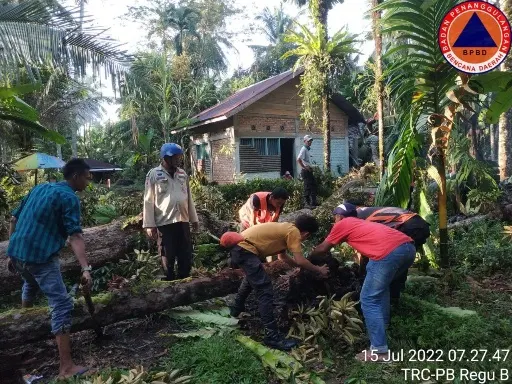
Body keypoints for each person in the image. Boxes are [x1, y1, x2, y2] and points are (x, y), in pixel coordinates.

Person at [7, 159, 93, 380]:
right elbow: (75, 236)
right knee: (62, 304)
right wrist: (85, 268)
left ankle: (24, 330)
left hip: (18, 254)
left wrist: (11, 250)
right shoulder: (69, 197)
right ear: (75, 177)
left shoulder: (40, 188)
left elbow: (13, 219)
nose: (89, 180)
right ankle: (66, 368)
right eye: (87, 176)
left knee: (30, 282)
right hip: (40, 257)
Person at [310, 203, 416, 363]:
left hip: (388, 254)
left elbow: (323, 249)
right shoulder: (361, 223)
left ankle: (379, 351)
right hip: (408, 249)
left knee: (368, 299)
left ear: (339, 217)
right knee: (381, 289)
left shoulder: (343, 224)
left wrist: (307, 257)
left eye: (335, 217)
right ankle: (383, 326)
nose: (334, 221)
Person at [227, 215, 329, 351]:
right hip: (244, 249)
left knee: (252, 279)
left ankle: (236, 308)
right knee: (265, 289)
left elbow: (283, 257)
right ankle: (272, 336)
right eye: (307, 237)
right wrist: (318, 269)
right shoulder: (294, 232)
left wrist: (299, 268)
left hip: (241, 248)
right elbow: (300, 259)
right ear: (306, 233)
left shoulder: (286, 228)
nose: (304, 239)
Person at [143, 143, 199, 281]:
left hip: (183, 221)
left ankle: (185, 282)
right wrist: (149, 224)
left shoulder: (182, 174)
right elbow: (148, 200)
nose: (177, 160)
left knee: (185, 255)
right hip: (165, 223)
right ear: (165, 158)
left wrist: (194, 219)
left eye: (179, 157)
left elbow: (189, 198)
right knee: (167, 256)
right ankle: (170, 284)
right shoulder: (154, 174)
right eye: (174, 157)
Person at [356, 206, 431, 301]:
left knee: (391, 261)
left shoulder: (359, 216)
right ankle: (395, 296)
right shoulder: (368, 211)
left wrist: (362, 272)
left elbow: (368, 245)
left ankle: (391, 297)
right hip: (421, 226)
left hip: (410, 227)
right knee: (398, 263)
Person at [297, 135, 318, 208]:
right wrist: (304, 167)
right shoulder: (303, 149)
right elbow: (298, 159)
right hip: (305, 171)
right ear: (304, 141)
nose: (310, 142)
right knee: (307, 186)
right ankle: (307, 204)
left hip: (309, 170)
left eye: (310, 141)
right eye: (308, 141)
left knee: (313, 185)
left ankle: (313, 202)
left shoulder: (307, 149)